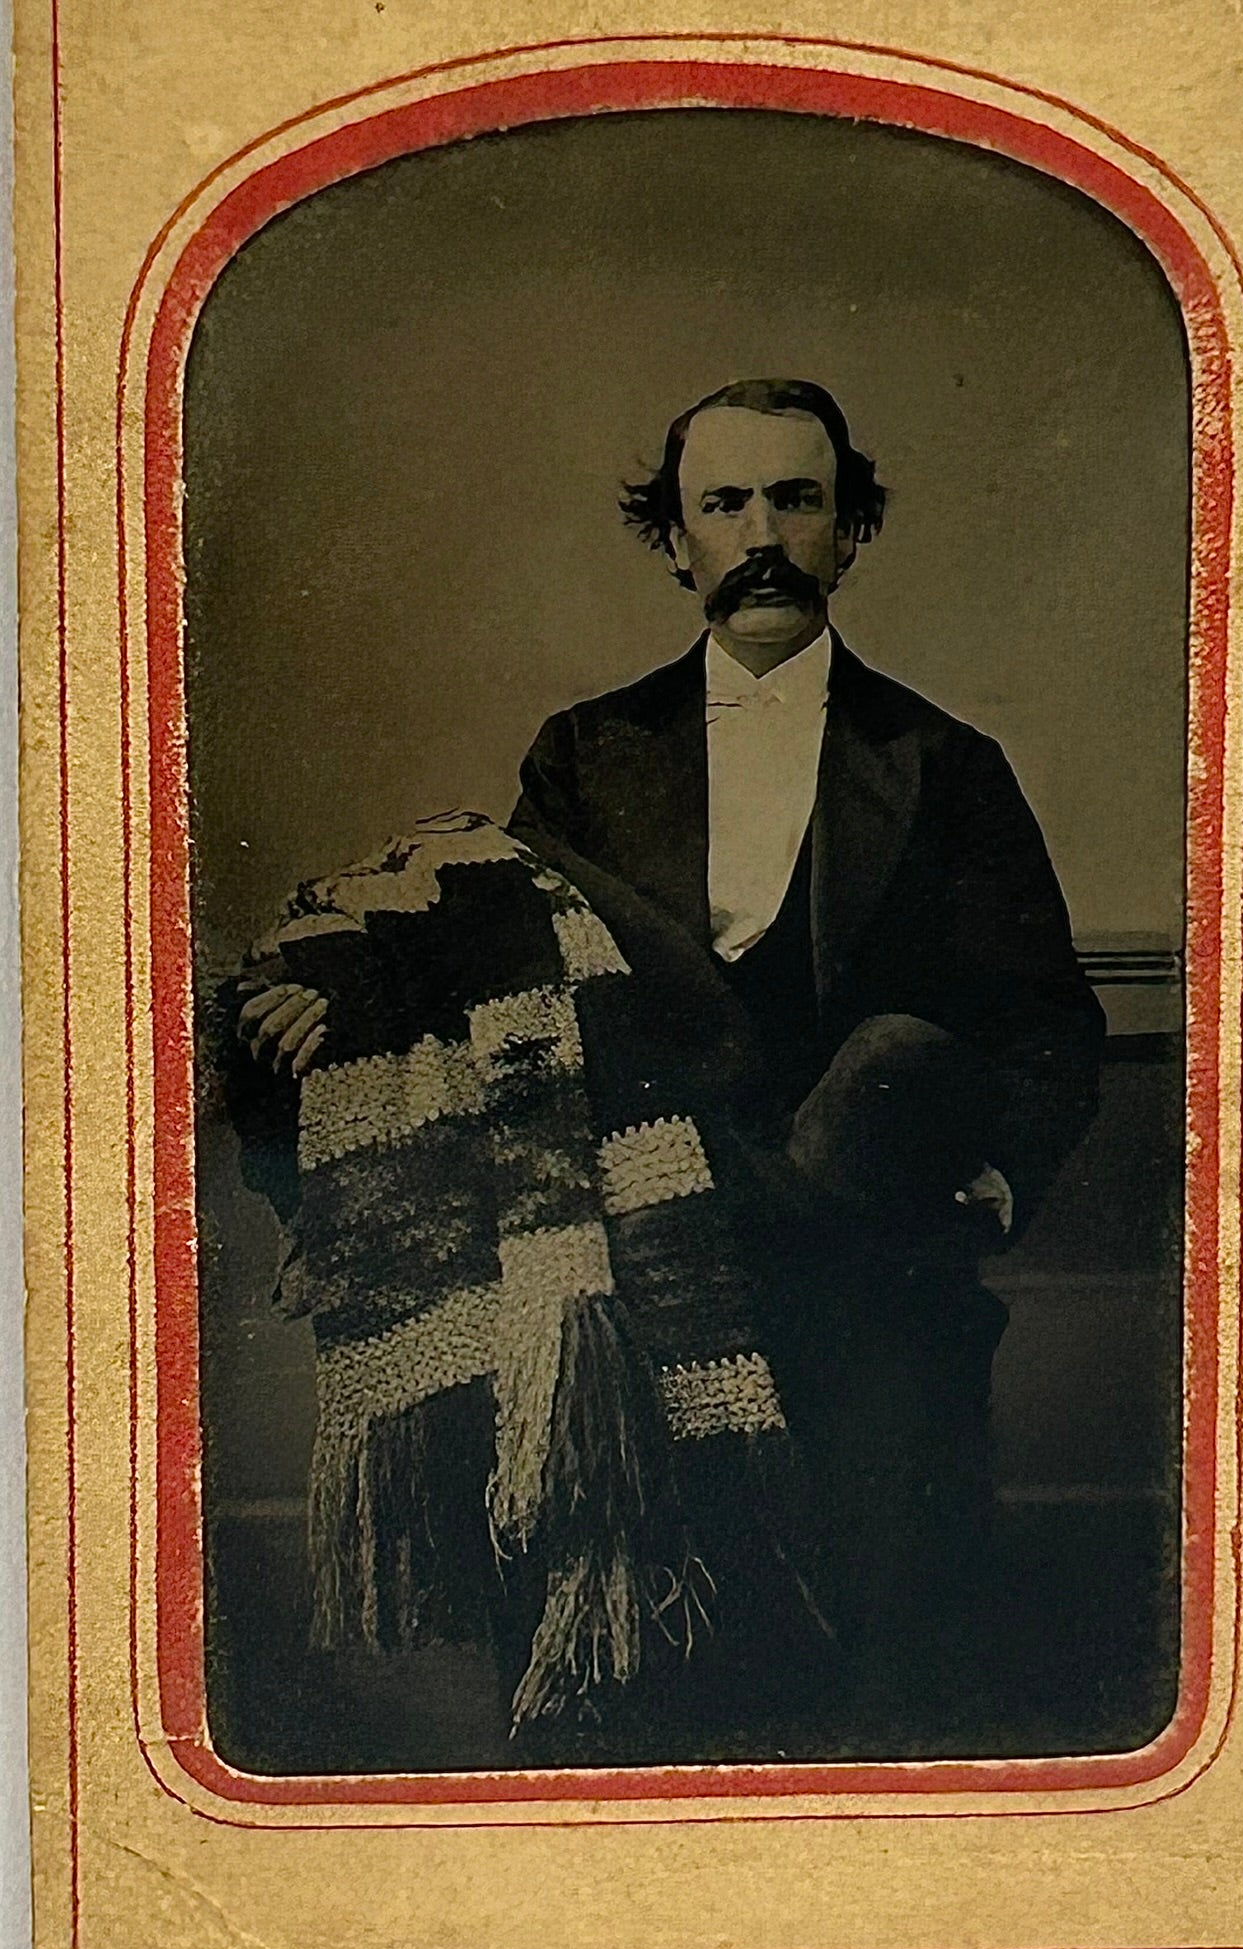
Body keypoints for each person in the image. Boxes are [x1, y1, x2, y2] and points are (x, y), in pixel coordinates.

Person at [239, 377, 1105, 1749]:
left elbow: (1050, 1024)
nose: (762, 532)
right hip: (651, 1255)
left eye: (798, 499)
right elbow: (493, 935)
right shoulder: (585, 754)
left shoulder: (947, 764)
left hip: (875, 1267)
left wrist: (993, 1177)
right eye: (726, 503)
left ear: (849, 530)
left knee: (892, 1695)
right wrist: (340, 989)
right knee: (653, 1695)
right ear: (677, 540)